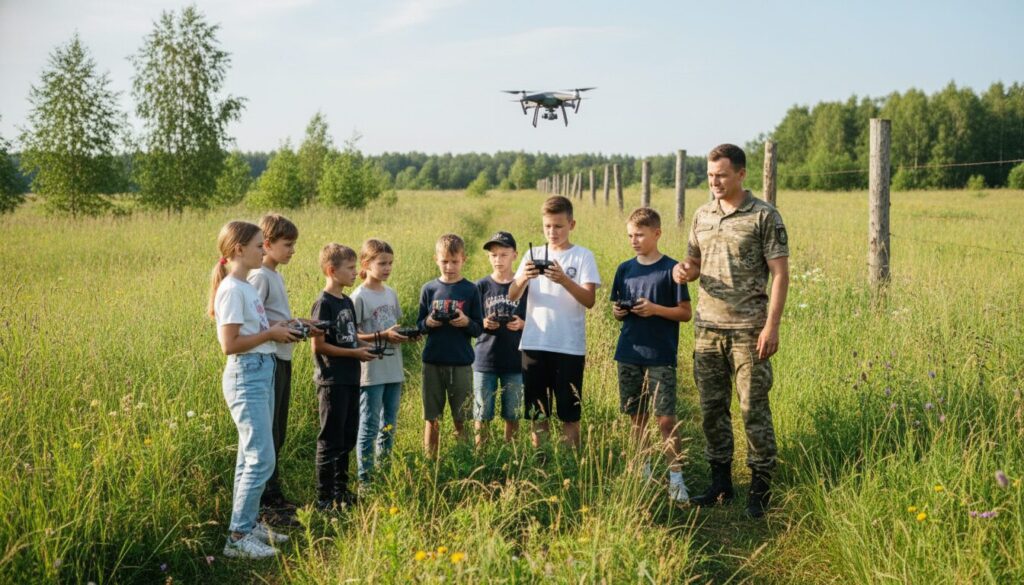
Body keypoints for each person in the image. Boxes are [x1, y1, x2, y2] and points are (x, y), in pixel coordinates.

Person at [672, 143, 790, 518]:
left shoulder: (764, 216)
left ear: (741, 174)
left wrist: (772, 326)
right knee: (711, 409)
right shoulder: (702, 214)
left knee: (752, 408)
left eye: (721, 175)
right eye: (710, 176)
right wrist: (684, 272)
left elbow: (780, 274)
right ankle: (720, 481)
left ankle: (760, 486)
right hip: (708, 328)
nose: (715, 182)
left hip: (748, 330)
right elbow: (693, 261)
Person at [208, 220, 297, 559]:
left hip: (261, 370)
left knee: (249, 457)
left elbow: (252, 330)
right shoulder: (231, 289)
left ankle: (245, 524)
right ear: (238, 250)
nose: (264, 250)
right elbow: (229, 344)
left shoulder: (244, 286)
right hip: (246, 374)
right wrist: (270, 334)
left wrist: (276, 327)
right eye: (259, 245)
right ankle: (238, 537)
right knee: (262, 458)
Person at [611, 207, 691, 504]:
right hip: (628, 353)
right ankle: (642, 472)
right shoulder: (624, 269)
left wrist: (655, 309)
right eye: (630, 235)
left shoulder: (672, 269)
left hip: (660, 355)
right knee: (637, 419)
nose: (634, 240)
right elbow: (617, 307)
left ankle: (676, 479)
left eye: (640, 235)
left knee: (665, 420)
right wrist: (619, 311)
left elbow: (685, 313)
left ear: (657, 234)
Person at [509, 195, 601, 450]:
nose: (553, 232)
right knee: (538, 413)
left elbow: (590, 300)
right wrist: (524, 278)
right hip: (534, 343)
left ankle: (570, 466)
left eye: (559, 226)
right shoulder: (532, 253)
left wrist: (564, 280)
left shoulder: (583, 256)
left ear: (571, 225)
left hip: (568, 346)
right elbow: (512, 295)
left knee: (569, 415)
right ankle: (542, 465)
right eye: (548, 226)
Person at [247, 213, 308, 524]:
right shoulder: (260, 277)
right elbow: (252, 321)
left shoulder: (274, 275)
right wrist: (282, 328)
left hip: (282, 357)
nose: (292, 250)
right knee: (270, 432)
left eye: (294, 245)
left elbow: (272, 317)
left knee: (278, 430)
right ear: (267, 244)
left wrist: (297, 324)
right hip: (268, 360)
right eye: (287, 244)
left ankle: (273, 494)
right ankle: (267, 502)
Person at [310, 243, 377, 510]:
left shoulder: (347, 301)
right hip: (332, 380)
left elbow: (349, 339)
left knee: (348, 435)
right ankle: (324, 497)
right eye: (350, 268)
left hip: (351, 377)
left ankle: (341, 491)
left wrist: (363, 349)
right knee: (330, 438)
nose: (355, 272)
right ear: (331, 270)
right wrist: (354, 354)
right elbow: (320, 346)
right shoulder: (323, 303)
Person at [351, 239, 413, 485]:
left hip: (393, 369)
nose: (388, 268)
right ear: (366, 264)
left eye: (390, 263)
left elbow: (392, 327)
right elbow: (352, 337)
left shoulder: (391, 293)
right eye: (382, 263)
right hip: (371, 371)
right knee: (369, 425)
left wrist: (405, 335)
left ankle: (383, 472)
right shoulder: (359, 297)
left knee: (389, 424)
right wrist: (382, 336)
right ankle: (365, 480)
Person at [416, 233, 483, 458]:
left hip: (461, 362)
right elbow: (419, 325)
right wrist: (428, 322)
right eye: (444, 261)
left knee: (461, 416)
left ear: (464, 259)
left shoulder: (471, 290)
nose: (449, 266)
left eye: (454, 261)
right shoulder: (429, 289)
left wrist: (466, 322)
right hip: (433, 360)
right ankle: (430, 460)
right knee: (432, 417)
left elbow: (479, 328)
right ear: (436, 259)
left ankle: (462, 458)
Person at [473, 231, 528, 445]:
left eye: (503, 255)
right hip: (485, 358)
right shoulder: (481, 286)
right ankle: (481, 456)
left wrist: (523, 324)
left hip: (515, 359)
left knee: (512, 414)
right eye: (494, 255)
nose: (498, 260)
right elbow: (471, 322)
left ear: (515, 255)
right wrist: (483, 323)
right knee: (481, 414)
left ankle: (510, 453)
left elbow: (535, 318)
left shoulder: (523, 285)